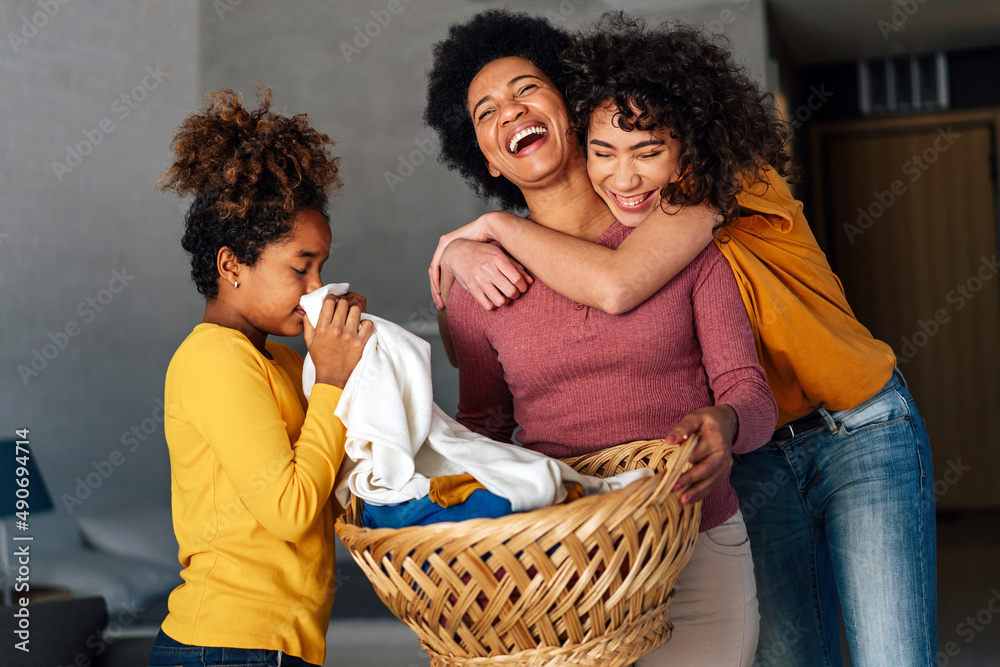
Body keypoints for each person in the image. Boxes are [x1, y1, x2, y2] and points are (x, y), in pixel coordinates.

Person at [429, 13, 936, 667]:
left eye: (646, 151)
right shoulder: (618, 206)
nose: (626, 173)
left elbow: (617, 284)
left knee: (892, 653)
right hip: (753, 455)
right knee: (792, 655)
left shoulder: (711, 187)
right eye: (607, 152)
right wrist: (465, 264)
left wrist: (492, 227)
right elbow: (489, 363)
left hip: (855, 426)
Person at [425, 10, 778, 665]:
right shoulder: (481, 280)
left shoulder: (677, 238)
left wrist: (724, 425)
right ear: (488, 160)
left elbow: (747, 389)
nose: (509, 110)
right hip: (565, 563)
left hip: (697, 543)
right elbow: (485, 428)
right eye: (485, 111)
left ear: (574, 107)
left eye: (526, 88)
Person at [148, 87, 373, 667]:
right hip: (227, 645)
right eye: (301, 268)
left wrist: (364, 371)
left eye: (322, 267)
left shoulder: (286, 363)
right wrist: (331, 382)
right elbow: (291, 510)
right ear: (231, 266)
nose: (317, 287)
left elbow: (331, 487)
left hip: (278, 646)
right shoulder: (213, 360)